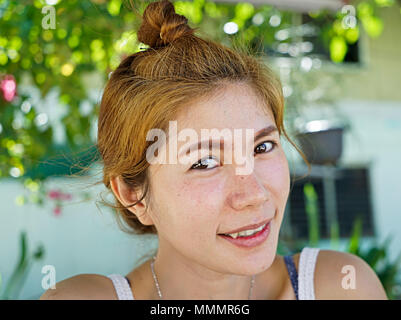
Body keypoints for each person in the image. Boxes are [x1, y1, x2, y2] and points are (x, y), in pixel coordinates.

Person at [40, 0, 387, 300]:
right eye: (205, 162)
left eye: (263, 146)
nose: (254, 195)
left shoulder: (340, 286)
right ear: (133, 194)